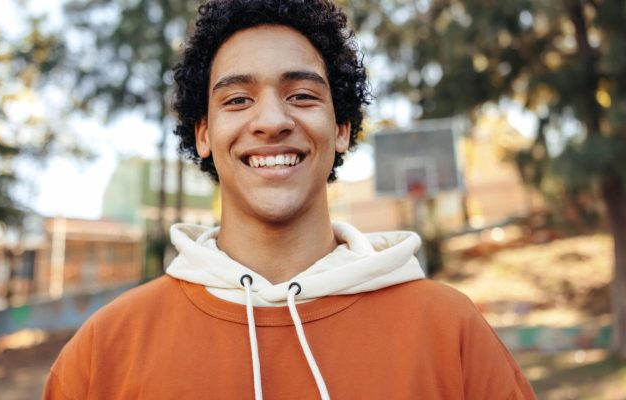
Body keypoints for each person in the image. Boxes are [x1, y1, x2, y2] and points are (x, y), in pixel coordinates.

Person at [43, 0, 536, 398]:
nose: (272, 120)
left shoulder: (450, 330)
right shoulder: (105, 348)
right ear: (203, 135)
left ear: (341, 128)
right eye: (237, 100)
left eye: (302, 95)